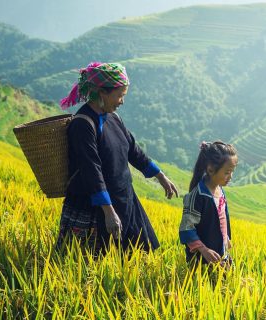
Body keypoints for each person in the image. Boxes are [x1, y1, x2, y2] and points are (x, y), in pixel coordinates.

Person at [55, 62, 178, 254]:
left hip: (124, 200)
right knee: (93, 262)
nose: (122, 101)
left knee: (139, 257)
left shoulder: (113, 118)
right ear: (102, 93)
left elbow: (133, 151)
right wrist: (108, 211)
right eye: (120, 95)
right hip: (96, 208)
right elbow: (91, 170)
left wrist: (160, 176)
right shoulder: (83, 124)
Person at [179, 141, 238, 267]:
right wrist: (204, 250)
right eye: (227, 172)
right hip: (201, 262)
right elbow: (187, 228)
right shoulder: (197, 196)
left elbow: (221, 219)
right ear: (211, 169)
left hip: (220, 256)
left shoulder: (220, 191)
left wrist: (226, 238)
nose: (230, 177)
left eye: (232, 172)